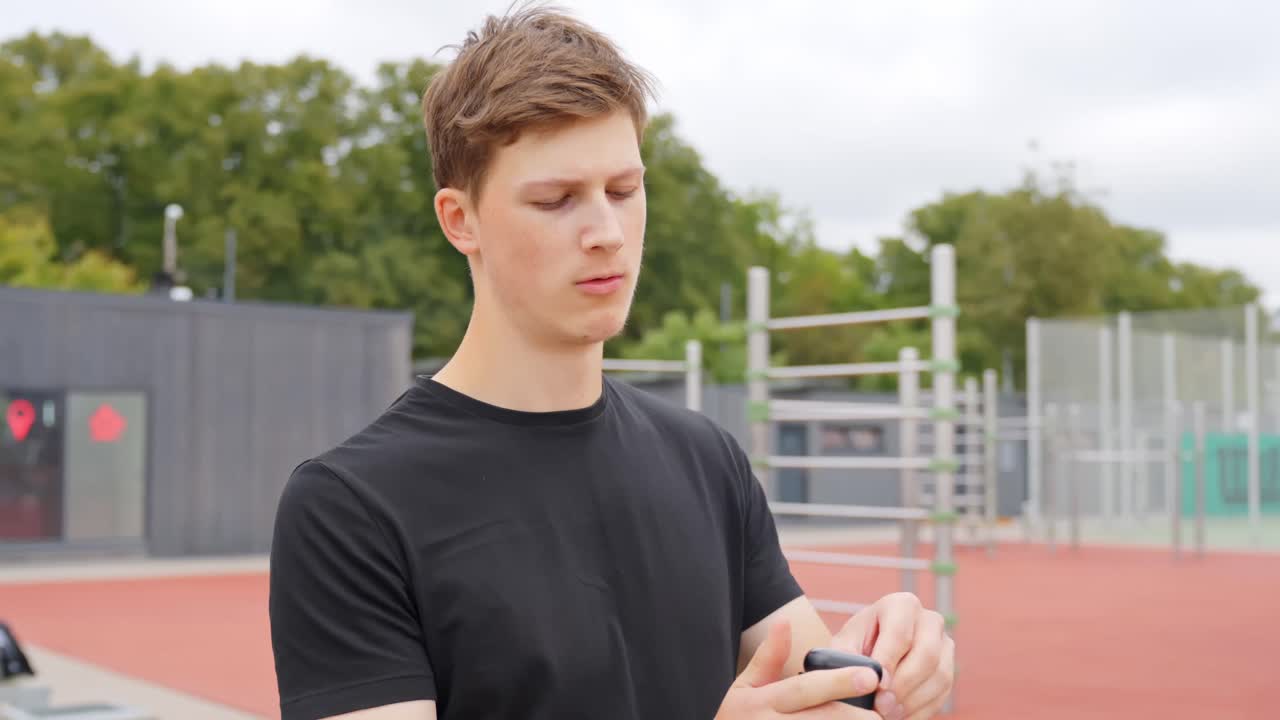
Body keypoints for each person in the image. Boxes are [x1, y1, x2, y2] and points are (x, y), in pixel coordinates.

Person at [267, 5, 955, 720]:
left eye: (624, 191)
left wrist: (882, 672)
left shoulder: (705, 461)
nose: (606, 233)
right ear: (459, 220)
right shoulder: (350, 509)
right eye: (557, 200)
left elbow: (797, 693)